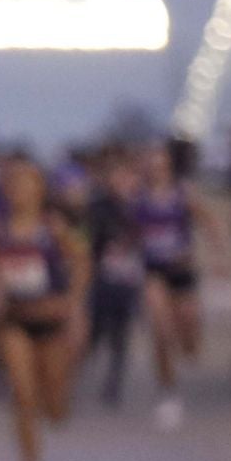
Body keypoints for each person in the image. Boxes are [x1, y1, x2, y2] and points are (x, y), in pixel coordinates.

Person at [0, 155, 89, 461]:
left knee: (54, 406)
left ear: (41, 191)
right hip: (15, 320)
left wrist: (72, 303)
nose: (21, 192)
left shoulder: (54, 227)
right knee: (23, 396)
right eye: (14, 185)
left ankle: (54, 403)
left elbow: (83, 260)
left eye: (28, 185)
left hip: (50, 322)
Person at [134, 140, 221, 432]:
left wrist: (218, 254)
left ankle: (187, 343)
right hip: (153, 271)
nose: (155, 170)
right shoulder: (139, 197)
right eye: (151, 165)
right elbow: (130, 232)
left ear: (168, 166)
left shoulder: (183, 193)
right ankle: (168, 392)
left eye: (160, 165)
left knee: (189, 337)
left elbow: (208, 221)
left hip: (182, 270)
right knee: (160, 329)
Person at [84, 147, 147, 406]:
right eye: (117, 177)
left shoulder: (143, 206)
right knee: (94, 333)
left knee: (121, 335)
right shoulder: (98, 207)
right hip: (102, 281)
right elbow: (88, 241)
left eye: (128, 177)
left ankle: (113, 385)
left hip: (129, 282)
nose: (123, 182)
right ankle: (71, 375)